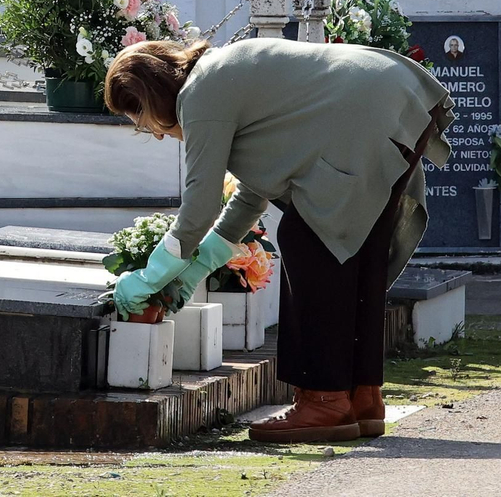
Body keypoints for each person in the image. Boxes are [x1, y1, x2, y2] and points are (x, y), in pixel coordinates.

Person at [104, 37, 453, 444]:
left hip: (370, 108)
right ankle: (362, 398)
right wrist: (197, 267)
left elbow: (196, 210)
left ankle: (323, 401)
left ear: (151, 94)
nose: (154, 132)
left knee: (309, 238)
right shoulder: (222, 73)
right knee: (356, 246)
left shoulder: (200, 94)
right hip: (394, 93)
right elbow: (254, 191)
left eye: (141, 117)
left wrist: (149, 278)